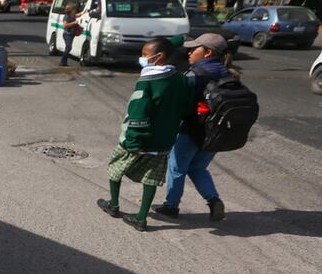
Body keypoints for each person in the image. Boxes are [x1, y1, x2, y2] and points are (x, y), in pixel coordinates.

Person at [97, 37, 190, 232]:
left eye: (145, 55)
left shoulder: (147, 81)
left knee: (116, 167)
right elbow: (187, 109)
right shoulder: (181, 79)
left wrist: (132, 140)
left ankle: (113, 205)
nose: (142, 58)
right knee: (151, 178)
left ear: (159, 57)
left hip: (140, 137)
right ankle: (141, 217)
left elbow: (139, 112)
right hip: (164, 140)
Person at [154, 33, 233, 221]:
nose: (189, 52)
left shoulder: (194, 74)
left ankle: (171, 206)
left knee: (177, 168)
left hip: (190, 130)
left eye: (194, 48)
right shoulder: (228, 73)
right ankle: (213, 200)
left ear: (207, 52)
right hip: (216, 132)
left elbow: (174, 101)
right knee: (198, 168)